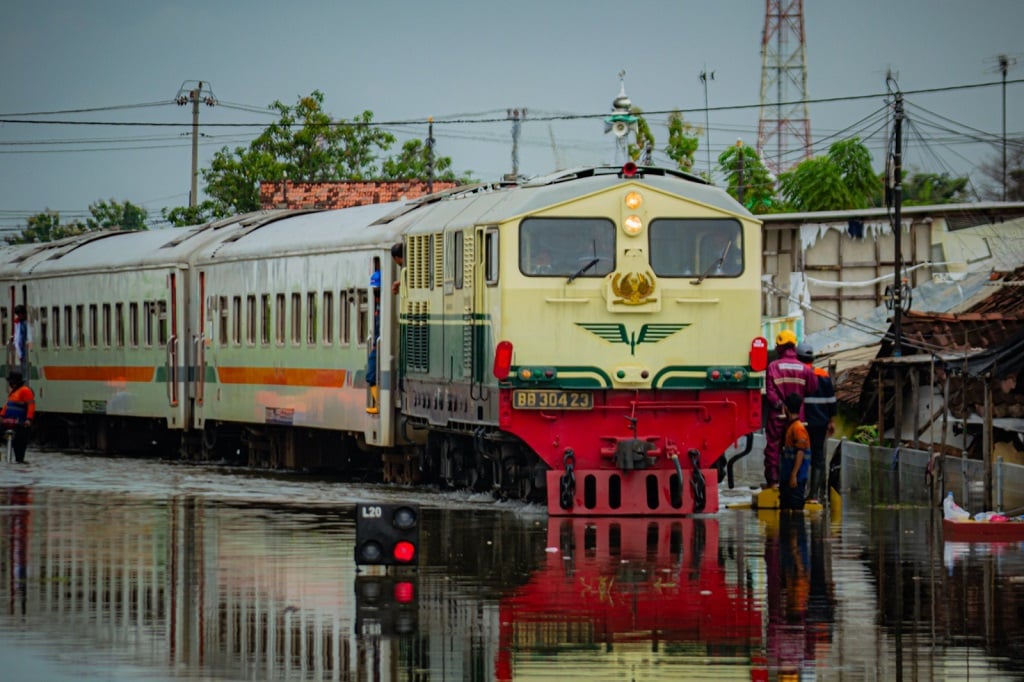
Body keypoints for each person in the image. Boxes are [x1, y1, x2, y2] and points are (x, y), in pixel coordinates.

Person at [763, 329, 817, 488]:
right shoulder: (805, 368)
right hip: (797, 416)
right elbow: (813, 388)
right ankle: (795, 481)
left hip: (778, 415)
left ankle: (773, 482)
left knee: (773, 448)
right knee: (798, 449)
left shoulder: (773, 367)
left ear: (780, 347)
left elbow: (770, 393)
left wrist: (781, 405)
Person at [797, 343, 836, 503]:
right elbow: (831, 400)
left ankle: (798, 492)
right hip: (820, 422)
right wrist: (831, 420)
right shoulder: (823, 375)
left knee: (798, 455)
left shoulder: (798, 373)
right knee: (818, 457)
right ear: (812, 358)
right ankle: (813, 496)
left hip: (801, 422)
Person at [780, 392, 810, 511]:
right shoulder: (790, 427)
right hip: (788, 477)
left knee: (796, 511)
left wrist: (793, 475)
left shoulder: (798, 428)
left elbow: (800, 452)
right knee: (785, 510)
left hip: (796, 478)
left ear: (786, 408)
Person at [2, 371, 35, 463]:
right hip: (8, 422)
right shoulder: (13, 392)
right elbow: (7, 406)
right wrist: (1, 416)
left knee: (19, 445)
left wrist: (29, 419)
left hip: (20, 423)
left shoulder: (25, 391)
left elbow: (31, 406)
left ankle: (19, 461)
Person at [366, 270, 382, 414]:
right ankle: (378, 403)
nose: (376, 294)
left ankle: (379, 404)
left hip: (379, 346)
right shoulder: (377, 306)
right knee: (371, 375)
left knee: (371, 373)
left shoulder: (383, 307)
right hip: (377, 345)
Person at [11, 304, 32, 382]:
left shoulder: (24, 324)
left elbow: (19, 339)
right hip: (21, 351)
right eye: (17, 315)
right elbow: (17, 339)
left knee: (24, 370)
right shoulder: (19, 324)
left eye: (19, 314)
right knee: (23, 369)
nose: (18, 316)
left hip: (23, 351)